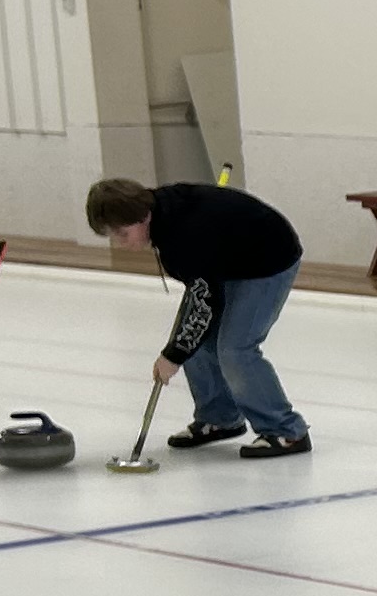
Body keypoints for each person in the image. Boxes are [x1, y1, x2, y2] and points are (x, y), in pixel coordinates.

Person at [85, 174, 313, 457]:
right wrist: (180, 349)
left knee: (235, 349)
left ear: (143, 216)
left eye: (122, 234)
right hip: (226, 262)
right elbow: (202, 296)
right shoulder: (163, 220)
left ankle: (286, 431)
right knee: (196, 343)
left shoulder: (184, 235)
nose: (120, 243)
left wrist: (172, 356)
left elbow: (205, 304)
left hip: (267, 259)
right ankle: (219, 418)